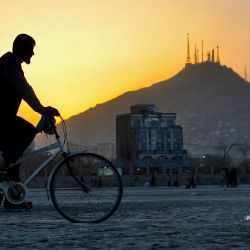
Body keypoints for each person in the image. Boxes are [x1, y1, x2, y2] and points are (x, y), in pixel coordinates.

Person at [0, 34, 59, 208]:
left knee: (15, 155)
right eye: (31, 49)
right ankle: (7, 175)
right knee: (25, 132)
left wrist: (41, 109)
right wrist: (42, 109)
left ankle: (13, 196)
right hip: (2, 117)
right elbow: (24, 89)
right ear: (22, 49)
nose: (33, 53)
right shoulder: (9, 64)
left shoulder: (13, 64)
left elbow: (26, 89)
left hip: (4, 117)